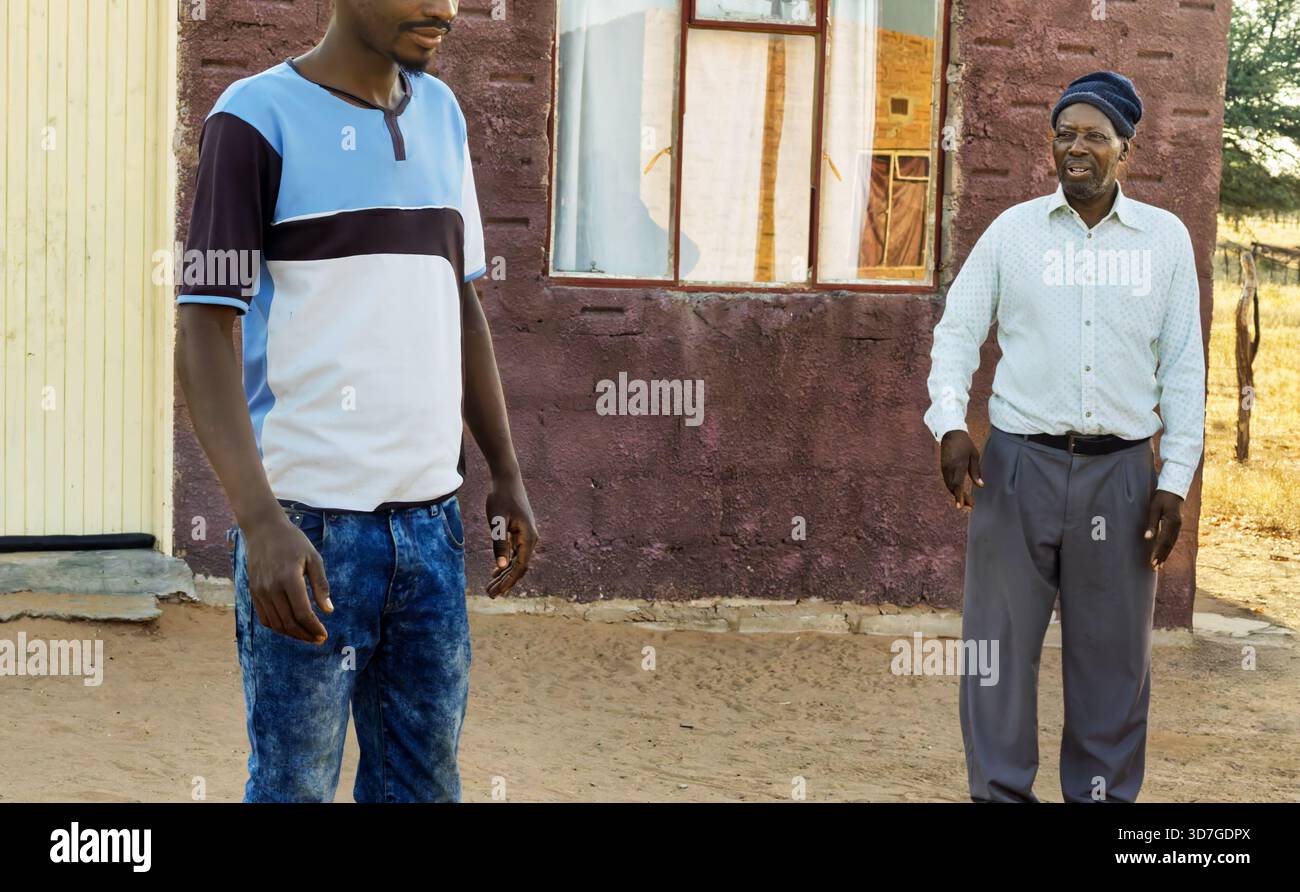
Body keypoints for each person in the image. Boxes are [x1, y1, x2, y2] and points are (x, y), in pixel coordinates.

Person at [175, 0, 539, 803]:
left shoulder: (442, 114)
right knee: (293, 787)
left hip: (432, 530)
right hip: (309, 536)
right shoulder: (253, 120)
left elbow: (461, 304)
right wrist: (259, 522)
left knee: (422, 787)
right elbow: (204, 332)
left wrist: (504, 471)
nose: (443, 9)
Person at [923, 71, 1205, 802]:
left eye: (1094, 136)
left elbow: (1183, 370)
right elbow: (957, 334)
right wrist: (951, 424)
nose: (1076, 148)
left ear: (1125, 150)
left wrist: (1173, 480)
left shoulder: (1164, 243)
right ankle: (1000, 793)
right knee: (997, 654)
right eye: (1064, 133)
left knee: (1113, 661)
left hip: (1123, 477)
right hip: (1017, 470)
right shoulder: (1012, 234)